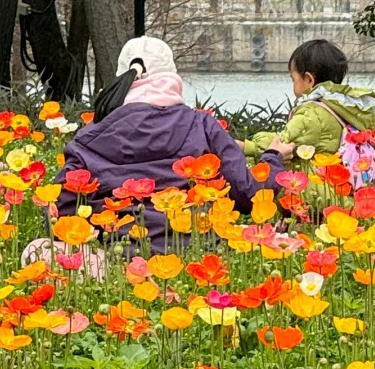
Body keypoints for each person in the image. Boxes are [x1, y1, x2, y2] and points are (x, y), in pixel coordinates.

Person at [43, 36, 283, 255]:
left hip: (120, 255)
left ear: (120, 78)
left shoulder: (88, 138)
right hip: (201, 253)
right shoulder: (204, 126)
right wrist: (273, 157)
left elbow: (58, 214)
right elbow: (249, 195)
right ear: (172, 76)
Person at [241, 38, 375, 161]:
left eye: (293, 78)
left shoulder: (311, 113)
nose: (293, 83)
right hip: (339, 184)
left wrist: (247, 146)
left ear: (309, 79)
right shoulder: (343, 106)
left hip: (314, 186)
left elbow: (282, 144)